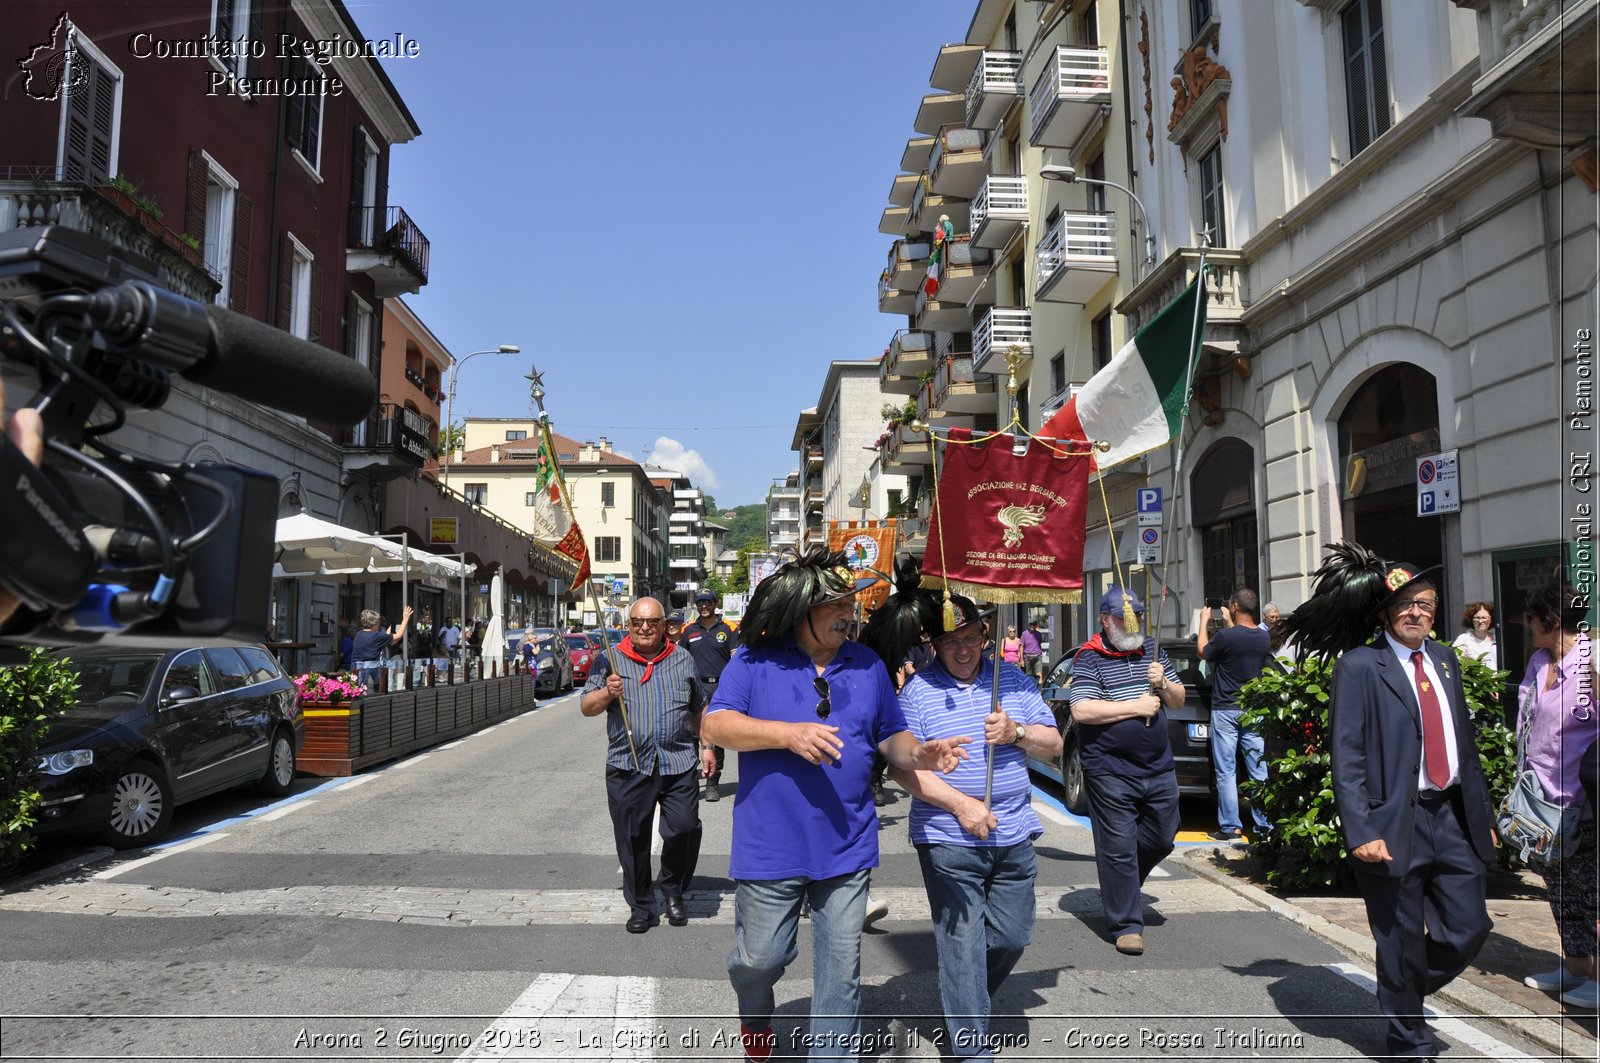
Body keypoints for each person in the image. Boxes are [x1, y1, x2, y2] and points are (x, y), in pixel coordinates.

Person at [701, 546, 970, 1063]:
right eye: (836, 605)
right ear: (802, 608)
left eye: (852, 604)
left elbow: (892, 736)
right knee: (759, 959)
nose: (850, 613)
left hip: (848, 843)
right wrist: (787, 734)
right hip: (769, 845)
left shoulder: (867, 663)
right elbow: (715, 725)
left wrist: (921, 753)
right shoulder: (753, 659)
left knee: (841, 972)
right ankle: (755, 1013)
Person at [1282, 542, 1497, 1059]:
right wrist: (1361, 830)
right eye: (1406, 604)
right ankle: (1407, 1039)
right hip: (1392, 819)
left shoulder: (1446, 661)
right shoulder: (1359, 666)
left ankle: (1402, 989)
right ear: (1385, 613)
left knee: (1469, 927)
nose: (1416, 612)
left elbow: (1463, 747)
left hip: (1451, 815)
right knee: (1398, 936)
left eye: (1426, 604)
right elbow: (1347, 755)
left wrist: (1482, 817)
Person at [876, 590, 1062, 1061]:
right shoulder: (916, 693)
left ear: (985, 637)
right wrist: (961, 805)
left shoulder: (1014, 683)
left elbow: (1055, 744)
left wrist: (1016, 732)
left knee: (1011, 936)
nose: (962, 650)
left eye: (970, 639)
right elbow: (902, 769)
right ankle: (969, 1046)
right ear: (935, 645)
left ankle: (965, 999)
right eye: (950, 641)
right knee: (960, 944)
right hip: (947, 836)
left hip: (1014, 831)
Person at [580, 596, 714, 934]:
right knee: (632, 838)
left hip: (678, 760)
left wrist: (708, 746)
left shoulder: (682, 658)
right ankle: (641, 905)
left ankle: (672, 888)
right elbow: (587, 707)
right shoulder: (608, 660)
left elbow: (699, 707)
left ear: (663, 625)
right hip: (629, 764)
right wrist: (607, 694)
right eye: (638, 622)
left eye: (652, 622)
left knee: (684, 827)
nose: (644, 628)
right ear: (629, 624)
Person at [1066, 586, 1186, 956]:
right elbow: (1082, 711)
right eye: (1123, 619)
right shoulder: (1089, 658)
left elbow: (1179, 701)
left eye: (1136, 618)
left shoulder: (1152, 650)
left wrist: (1163, 682)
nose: (1131, 626)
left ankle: (1122, 884)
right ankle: (1126, 924)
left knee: (1164, 836)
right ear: (1105, 620)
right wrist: (1135, 706)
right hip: (1110, 769)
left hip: (1158, 766)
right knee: (1117, 847)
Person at [1516, 582, 1600, 1008]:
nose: (1527, 625)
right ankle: (1575, 967)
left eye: (1531, 617)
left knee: (1592, 891)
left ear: (1550, 620)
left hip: (1582, 800)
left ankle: (1599, 979)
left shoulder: (1592, 663)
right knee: (1561, 889)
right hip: (1539, 798)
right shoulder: (1538, 660)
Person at [1197, 588, 1273, 841]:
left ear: (1236, 606)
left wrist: (1203, 622)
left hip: (1225, 709)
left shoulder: (1226, 637)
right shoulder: (1263, 638)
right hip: (1253, 711)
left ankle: (1231, 827)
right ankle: (1265, 827)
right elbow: (1240, 640)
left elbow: (1203, 652)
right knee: (1258, 769)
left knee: (1226, 772)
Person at [680, 589, 735, 802]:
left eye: (707, 602)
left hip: (720, 689)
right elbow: (679, 659)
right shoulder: (688, 630)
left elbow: (737, 662)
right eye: (700, 603)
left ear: (715, 603)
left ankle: (712, 783)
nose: (703, 606)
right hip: (694, 689)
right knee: (692, 735)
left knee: (715, 737)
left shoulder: (729, 629)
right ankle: (690, 781)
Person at [350, 606, 413, 691]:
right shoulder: (376, 637)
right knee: (372, 697)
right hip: (369, 675)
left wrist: (387, 634)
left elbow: (378, 642)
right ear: (375, 624)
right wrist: (405, 619)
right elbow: (397, 637)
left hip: (356, 672)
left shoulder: (359, 634)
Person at [1453, 601, 1499, 672]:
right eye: (1477, 618)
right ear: (1471, 620)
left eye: (1484, 618)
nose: (1480, 621)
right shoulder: (1463, 639)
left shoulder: (1497, 638)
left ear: (1490, 619)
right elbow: (1458, 663)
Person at [1019, 620, 1044, 685]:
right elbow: (1021, 646)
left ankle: (1039, 690)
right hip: (1027, 657)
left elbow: (1039, 644)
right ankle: (1031, 690)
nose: (1032, 626)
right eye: (1031, 624)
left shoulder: (1039, 634)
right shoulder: (1024, 634)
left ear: (1036, 625)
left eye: (1034, 624)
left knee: (1040, 676)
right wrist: (1021, 660)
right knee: (1029, 676)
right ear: (1029, 625)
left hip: (1038, 656)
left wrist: (1041, 654)